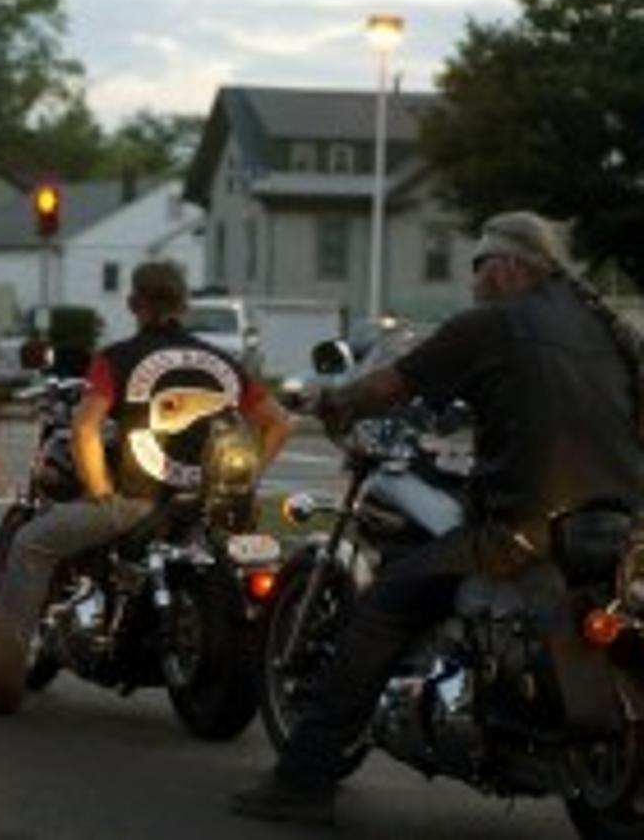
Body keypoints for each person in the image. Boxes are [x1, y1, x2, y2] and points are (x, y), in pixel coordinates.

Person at [231, 211, 644, 828]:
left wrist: (336, 401)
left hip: (523, 533)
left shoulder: (492, 324)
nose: (473, 283)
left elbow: (393, 386)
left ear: (507, 268)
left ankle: (303, 782)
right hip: (617, 532)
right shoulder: (609, 331)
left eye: (478, 268)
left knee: (381, 609)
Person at [0, 260, 293, 643]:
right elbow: (279, 423)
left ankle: (4, 658)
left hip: (137, 502)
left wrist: (100, 489)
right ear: (183, 305)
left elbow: (85, 428)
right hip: (206, 503)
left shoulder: (117, 358)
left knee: (29, 544)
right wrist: (244, 481)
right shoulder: (224, 362)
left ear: (133, 303)